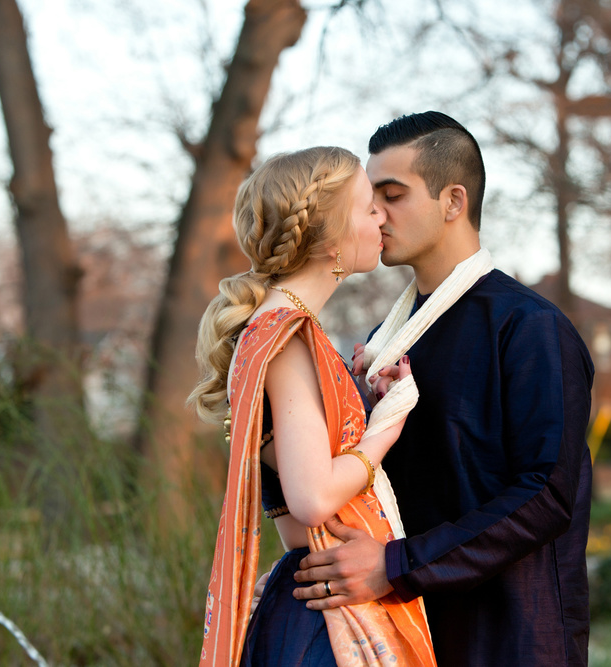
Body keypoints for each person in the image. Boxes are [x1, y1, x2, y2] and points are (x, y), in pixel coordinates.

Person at [292, 112, 595, 665]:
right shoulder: (385, 342)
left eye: (393, 194)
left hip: (507, 637)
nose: (375, 213)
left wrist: (397, 566)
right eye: (371, 195)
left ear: (453, 202)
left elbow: (546, 495)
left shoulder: (529, 328)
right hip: (402, 633)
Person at [189, 146, 437, 666]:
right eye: (369, 207)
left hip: (312, 594)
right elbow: (312, 496)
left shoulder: (279, 331)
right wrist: (384, 431)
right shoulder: (286, 338)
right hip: (323, 619)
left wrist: (362, 402)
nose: (382, 218)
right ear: (330, 238)